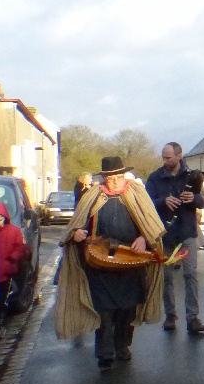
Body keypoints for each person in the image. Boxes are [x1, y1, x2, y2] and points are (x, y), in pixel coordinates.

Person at [54, 156, 167, 371]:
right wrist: (77, 233)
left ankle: (122, 345)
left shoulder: (136, 193)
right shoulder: (92, 196)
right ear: (103, 177)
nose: (114, 182)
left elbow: (151, 225)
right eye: (109, 178)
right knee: (104, 310)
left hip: (131, 260)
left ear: (123, 175)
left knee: (127, 309)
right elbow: (78, 225)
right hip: (99, 262)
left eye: (117, 177)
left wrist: (144, 238)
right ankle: (105, 353)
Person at [146, 142, 204, 335]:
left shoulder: (191, 176)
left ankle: (193, 318)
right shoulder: (155, 177)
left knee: (190, 275)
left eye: (168, 158)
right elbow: (146, 203)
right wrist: (163, 201)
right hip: (164, 234)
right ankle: (170, 315)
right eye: (163, 157)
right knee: (166, 277)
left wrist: (194, 199)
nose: (165, 161)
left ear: (179, 156)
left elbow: (203, 201)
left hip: (187, 232)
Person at [0, 202, 26, 338]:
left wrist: (13, 259)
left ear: (4, 218)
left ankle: (0, 323)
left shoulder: (13, 231)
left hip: (5, 271)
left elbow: (19, 247)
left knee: (3, 298)